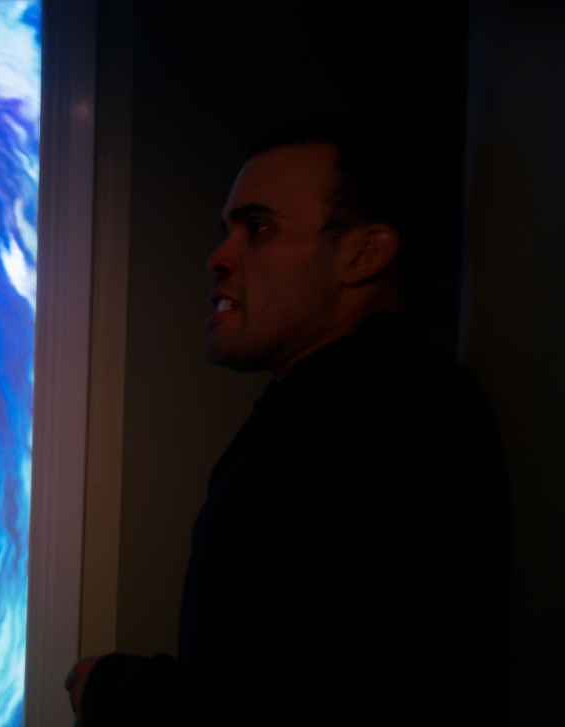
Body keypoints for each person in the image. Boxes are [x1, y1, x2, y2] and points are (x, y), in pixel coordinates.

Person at [65, 122, 507, 726]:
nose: (218, 257)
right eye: (228, 230)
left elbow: (291, 704)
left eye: (258, 228)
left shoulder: (371, 412)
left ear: (364, 255)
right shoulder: (344, 395)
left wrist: (113, 688)